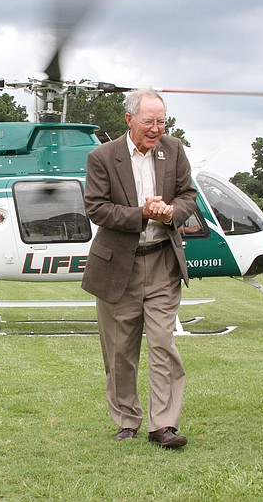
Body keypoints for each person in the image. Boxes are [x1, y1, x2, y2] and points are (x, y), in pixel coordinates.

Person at [82, 88, 198, 448]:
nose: (156, 128)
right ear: (129, 120)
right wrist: (142, 214)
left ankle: (163, 425)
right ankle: (126, 419)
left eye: (161, 121)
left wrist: (171, 212)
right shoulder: (103, 157)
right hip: (119, 266)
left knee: (164, 344)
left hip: (163, 260)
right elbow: (96, 208)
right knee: (120, 351)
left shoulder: (174, 149)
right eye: (148, 121)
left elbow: (188, 196)